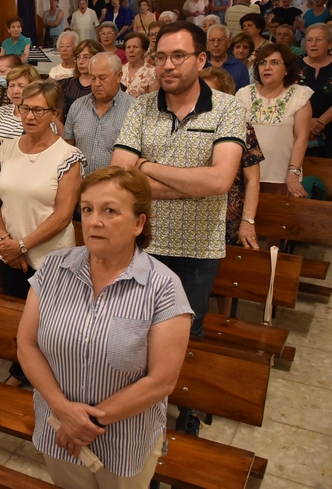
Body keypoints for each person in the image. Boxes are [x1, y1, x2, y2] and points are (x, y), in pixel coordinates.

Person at [17, 166, 192, 489]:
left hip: (124, 443)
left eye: (109, 210)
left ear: (139, 222)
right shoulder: (55, 267)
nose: (94, 221)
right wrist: (62, 410)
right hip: (59, 431)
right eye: (87, 209)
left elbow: (161, 381)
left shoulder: (163, 286)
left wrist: (85, 423)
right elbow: (27, 344)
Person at [111, 22, 246, 438]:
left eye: (178, 56)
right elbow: (119, 173)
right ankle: (137, 403)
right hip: (142, 241)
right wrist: (189, 183)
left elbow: (219, 182)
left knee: (188, 331)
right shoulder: (141, 105)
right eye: (161, 57)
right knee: (134, 326)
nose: (167, 65)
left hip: (197, 247)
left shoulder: (228, 108)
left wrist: (146, 168)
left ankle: (186, 406)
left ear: (201, 60)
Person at [0, 79, 83, 385]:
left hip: (49, 257)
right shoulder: (7, 148)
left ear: (55, 113)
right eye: (24, 108)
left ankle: (51, 378)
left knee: (49, 323)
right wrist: (5, 242)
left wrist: (23, 246)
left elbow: (64, 214)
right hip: (9, 251)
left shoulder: (68, 156)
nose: (29, 116)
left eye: (38, 110)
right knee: (17, 316)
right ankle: (21, 369)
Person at [200, 67, 262, 253]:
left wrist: (248, 221)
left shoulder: (242, 127)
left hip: (226, 215)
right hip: (192, 212)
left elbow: (252, 180)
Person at [237, 44, 312, 198]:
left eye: (274, 62)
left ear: (287, 69)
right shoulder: (243, 94)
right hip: (245, 174)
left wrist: (293, 173)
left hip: (281, 176)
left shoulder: (300, 95)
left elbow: (301, 138)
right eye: (263, 63)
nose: (267, 67)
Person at [66, 53, 134, 172]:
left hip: (116, 186)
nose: (97, 83)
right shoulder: (77, 106)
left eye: (102, 78)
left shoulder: (133, 110)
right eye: (93, 78)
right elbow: (67, 149)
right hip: (81, 184)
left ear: (119, 76)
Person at [0, 65, 39, 154]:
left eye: (21, 86)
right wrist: (18, 145)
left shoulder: (41, 115)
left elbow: (35, 148)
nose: (15, 91)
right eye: (11, 86)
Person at [298, 24, 332, 158]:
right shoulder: (293, 66)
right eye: (309, 40)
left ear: (329, 44)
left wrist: (319, 123)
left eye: (319, 40)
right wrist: (307, 124)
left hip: (329, 128)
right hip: (298, 129)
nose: (313, 44)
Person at [60, 38, 105, 115]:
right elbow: (58, 119)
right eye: (78, 57)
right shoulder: (65, 85)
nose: (80, 61)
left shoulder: (105, 86)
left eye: (86, 57)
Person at [205, 24, 251, 89]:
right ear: (207, 44)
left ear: (228, 43)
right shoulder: (199, 64)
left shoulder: (240, 67)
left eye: (220, 40)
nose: (216, 44)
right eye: (212, 40)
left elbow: (243, 95)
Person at [121, 32, 158, 97]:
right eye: (128, 47)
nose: (131, 50)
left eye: (135, 47)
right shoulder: (118, 70)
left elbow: (153, 101)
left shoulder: (153, 72)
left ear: (144, 50)